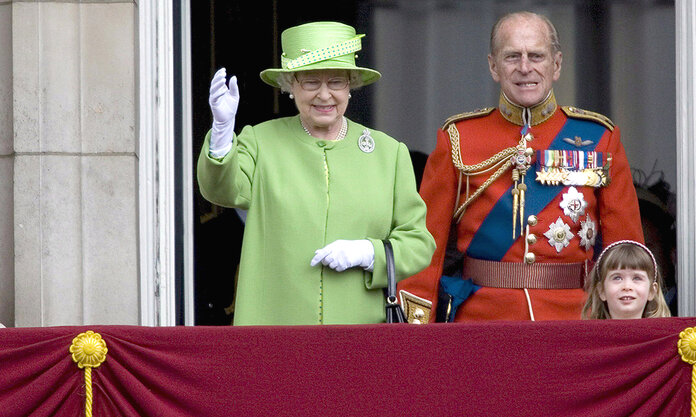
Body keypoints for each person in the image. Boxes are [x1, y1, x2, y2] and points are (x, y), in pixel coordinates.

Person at [397, 11, 643, 323]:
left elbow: (627, 250)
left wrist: (632, 327)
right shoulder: (458, 138)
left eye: (536, 56)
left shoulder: (600, 138)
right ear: (493, 66)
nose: (524, 67)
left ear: (556, 65)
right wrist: (415, 331)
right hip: (484, 322)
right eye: (512, 56)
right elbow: (425, 246)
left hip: (578, 319)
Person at [197, 21, 435, 325]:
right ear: (290, 86)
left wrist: (368, 252)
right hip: (275, 329)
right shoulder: (260, 141)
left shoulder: (388, 153)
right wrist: (221, 133)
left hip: (360, 332)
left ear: (350, 86)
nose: (324, 95)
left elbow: (418, 243)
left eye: (336, 82)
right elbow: (222, 191)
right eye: (310, 82)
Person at [582, 240, 670, 319]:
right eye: (617, 278)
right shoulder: (589, 336)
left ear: (652, 290)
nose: (627, 286)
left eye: (637, 278)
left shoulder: (667, 336)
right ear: (601, 290)